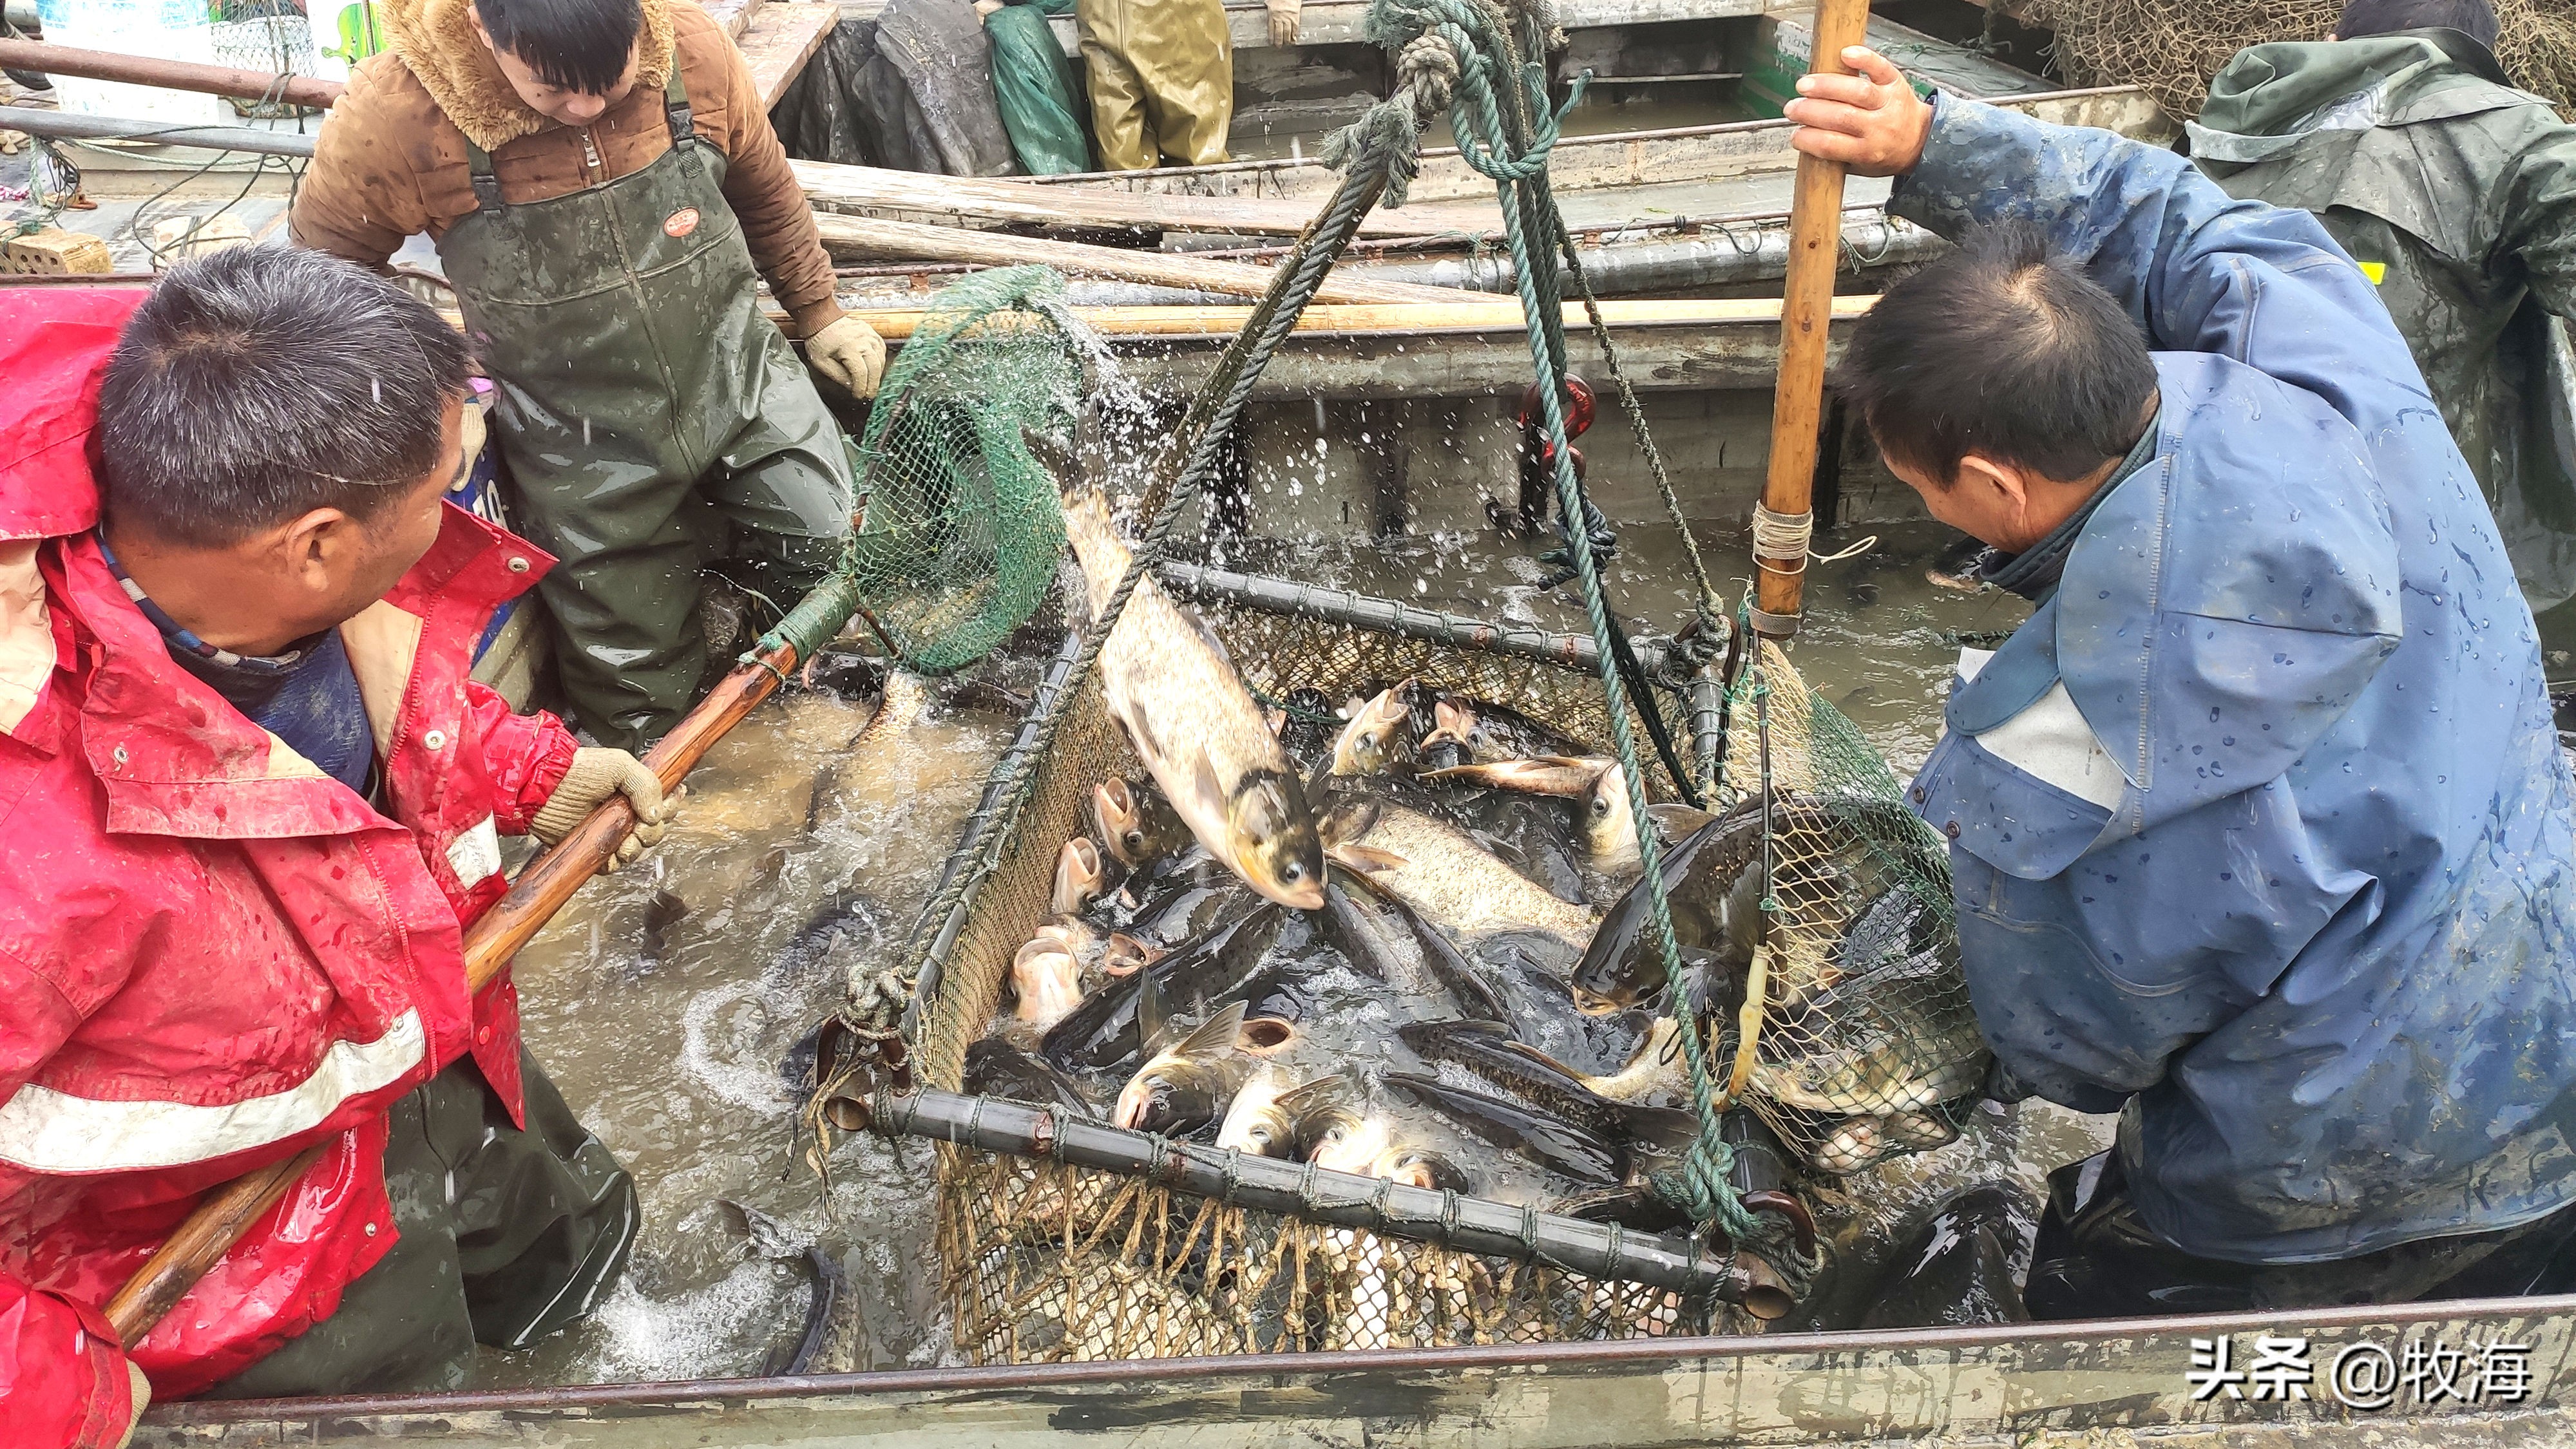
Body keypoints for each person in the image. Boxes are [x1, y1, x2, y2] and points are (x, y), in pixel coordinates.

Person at [1789, 48, 2576, 1312]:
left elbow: (2071, 1049)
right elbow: (2191, 220)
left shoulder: (2053, 747)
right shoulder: (2333, 374)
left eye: (1917, 484)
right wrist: (1931, 144)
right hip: (2551, 1013)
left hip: (2337, 1167)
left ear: (1989, 491)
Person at [0, 250, 679, 1446]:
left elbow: (388, 691)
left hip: (444, 1046)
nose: (454, 522)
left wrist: (529, 772)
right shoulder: (28, 854)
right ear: (314, 544)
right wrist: (42, 1386)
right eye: (442, 497)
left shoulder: (274, 554)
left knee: (574, 1264)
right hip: (237, 1248)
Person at [292, 0, 884, 750]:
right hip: (580, 445)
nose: (585, 110)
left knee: (843, 557)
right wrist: (402, 411)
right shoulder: (396, 111)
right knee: (637, 709)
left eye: (609, 82)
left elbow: (765, 188)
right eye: (552, 92)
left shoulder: (691, 47)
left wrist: (821, 311)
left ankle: (767, 646)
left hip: (739, 377)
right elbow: (324, 279)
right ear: (482, 28)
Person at [2189, 0, 2576, 612]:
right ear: (2476, 53)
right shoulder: (2515, 136)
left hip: (2206, 495)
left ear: (2334, 37)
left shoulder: (2231, 128)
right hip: (2408, 526)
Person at [1076, 0, 1234, 169]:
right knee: (1196, 145)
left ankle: (1134, 192)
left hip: (1101, 14)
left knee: (1123, 157)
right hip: (1176, 14)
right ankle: (1200, 192)